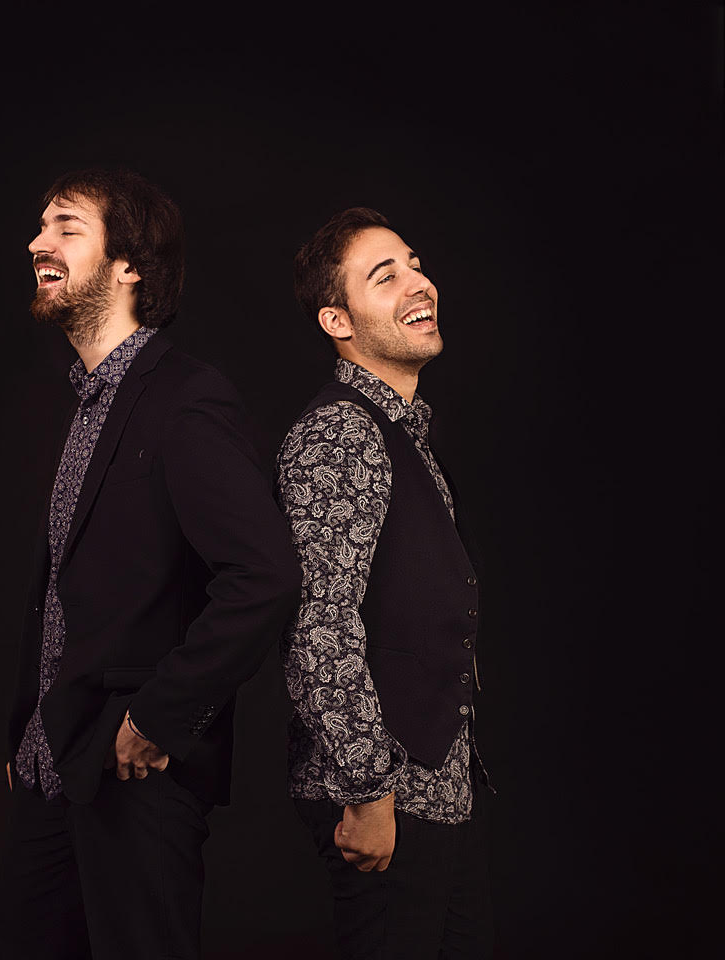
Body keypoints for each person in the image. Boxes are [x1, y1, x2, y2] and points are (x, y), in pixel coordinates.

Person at [0, 167, 301, 960]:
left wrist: (159, 719)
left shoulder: (184, 397)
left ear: (129, 265)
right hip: (52, 766)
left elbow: (263, 576)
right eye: (40, 226)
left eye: (66, 227)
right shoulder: (89, 404)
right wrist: (30, 726)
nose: (37, 243)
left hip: (133, 772)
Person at [276, 208, 495, 958]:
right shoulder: (341, 434)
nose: (419, 283)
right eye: (385, 275)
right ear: (336, 321)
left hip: (439, 791)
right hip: (385, 797)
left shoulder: (403, 431)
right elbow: (318, 625)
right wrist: (370, 792)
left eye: (415, 265)